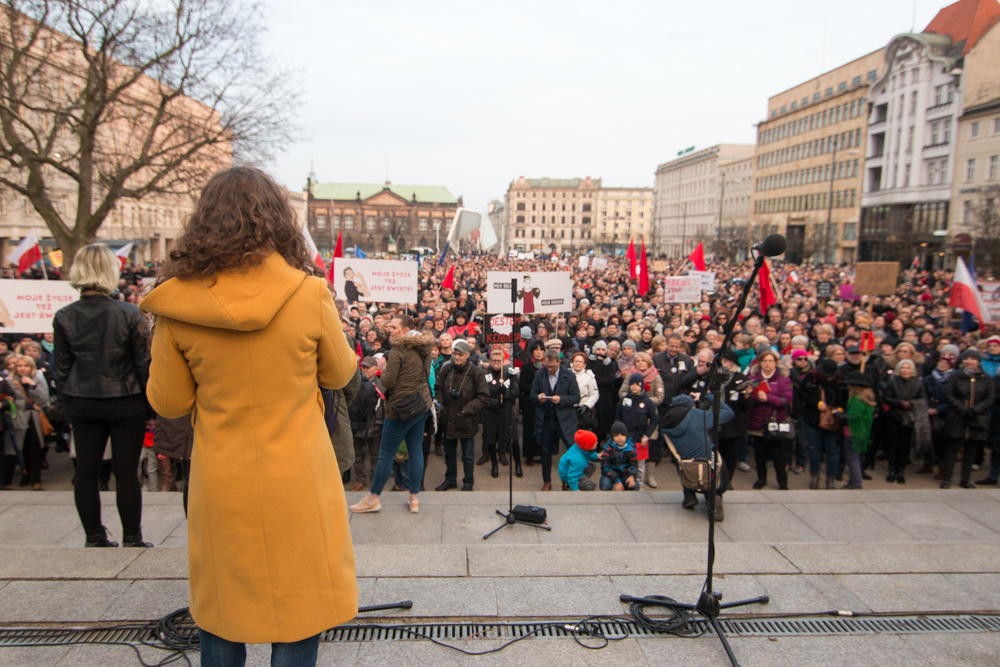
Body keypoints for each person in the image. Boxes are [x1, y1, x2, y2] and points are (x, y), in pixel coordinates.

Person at [143, 167, 360, 664]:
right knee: (300, 610)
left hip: (224, 478)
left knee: (223, 611)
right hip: (299, 476)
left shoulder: (176, 304)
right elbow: (340, 373)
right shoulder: (307, 293)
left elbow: (169, 403)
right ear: (277, 222)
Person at [53, 244, 150, 546]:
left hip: (83, 400)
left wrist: (68, 409)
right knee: (126, 472)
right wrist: (151, 406)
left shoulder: (64, 316)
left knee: (86, 471)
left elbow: (61, 370)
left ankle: (94, 536)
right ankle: (132, 537)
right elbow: (143, 366)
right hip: (127, 400)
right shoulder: (129, 313)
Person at [351, 314, 434, 510]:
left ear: (406, 330)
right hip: (421, 404)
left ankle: (372, 498)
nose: (390, 329)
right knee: (415, 452)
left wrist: (383, 367)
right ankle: (414, 498)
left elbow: (387, 381)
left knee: (386, 454)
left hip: (400, 408)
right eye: (390, 326)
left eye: (395, 327)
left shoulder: (398, 349)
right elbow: (426, 371)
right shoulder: (425, 346)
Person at [660, 391, 734, 519]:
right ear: (691, 406)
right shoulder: (697, 415)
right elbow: (728, 413)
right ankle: (715, 497)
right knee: (715, 463)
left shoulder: (664, 423)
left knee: (680, 457)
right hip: (709, 466)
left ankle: (689, 495)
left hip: (688, 471)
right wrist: (705, 396)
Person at [434, 339, 489, 491]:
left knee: (468, 455)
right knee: (449, 454)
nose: (456, 357)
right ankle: (450, 479)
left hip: (466, 419)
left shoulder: (476, 372)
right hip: (448, 418)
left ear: (467, 355)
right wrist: (441, 405)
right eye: (455, 354)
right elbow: (437, 388)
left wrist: (468, 409)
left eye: (460, 354)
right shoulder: (447, 369)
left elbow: (484, 396)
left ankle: (468, 482)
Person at [942, 348, 995, 488]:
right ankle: (947, 478)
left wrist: (976, 409)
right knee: (952, 449)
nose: (969, 361)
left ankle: (965, 480)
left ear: (978, 361)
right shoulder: (955, 376)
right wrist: (963, 409)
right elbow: (949, 394)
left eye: (973, 359)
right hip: (957, 417)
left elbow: (990, 397)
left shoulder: (986, 378)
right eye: (967, 359)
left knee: (971, 450)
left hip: (976, 418)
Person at [531, 348, 580, 491]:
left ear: (559, 362)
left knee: (571, 449)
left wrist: (562, 399)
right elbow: (532, 395)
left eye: (552, 366)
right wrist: (538, 398)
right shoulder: (540, 374)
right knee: (545, 451)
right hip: (546, 419)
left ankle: (570, 480)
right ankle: (547, 481)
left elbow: (576, 397)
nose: (550, 369)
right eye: (547, 366)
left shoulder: (568, 376)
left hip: (564, 420)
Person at [746, 349, 793, 491]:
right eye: (764, 361)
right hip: (758, 420)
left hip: (775, 422)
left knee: (777, 454)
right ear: (760, 363)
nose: (767, 363)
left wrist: (768, 398)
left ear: (776, 363)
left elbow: (787, 399)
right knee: (759, 453)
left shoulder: (782, 379)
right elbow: (749, 401)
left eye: (770, 361)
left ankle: (782, 481)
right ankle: (761, 479)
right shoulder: (753, 378)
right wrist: (751, 396)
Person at [798, 357, 846, 490]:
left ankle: (831, 476)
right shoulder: (810, 378)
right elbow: (801, 394)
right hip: (813, 418)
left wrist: (840, 408)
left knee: (832, 450)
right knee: (815, 449)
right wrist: (816, 403)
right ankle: (815, 475)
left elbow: (845, 398)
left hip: (832, 420)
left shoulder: (840, 381)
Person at [883, 358, 926, 484]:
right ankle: (892, 470)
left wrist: (911, 404)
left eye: (908, 368)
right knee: (893, 445)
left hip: (909, 418)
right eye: (903, 367)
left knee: (905, 446)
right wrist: (899, 403)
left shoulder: (918, 383)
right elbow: (886, 398)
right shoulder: (893, 382)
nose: (905, 370)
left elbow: (923, 400)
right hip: (894, 416)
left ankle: (901, 470)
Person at [615, 372, 659, 488]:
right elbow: (617, 418)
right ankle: (624, 483)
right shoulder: (624, 400)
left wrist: (647, 435)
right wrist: (617, 434)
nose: (634, 386)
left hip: (640, 438)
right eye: (632, 384)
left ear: (642, 386)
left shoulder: (647, 402)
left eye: (637, 384)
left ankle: (639, 484)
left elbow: (654, 420)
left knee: (639, 464)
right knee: (623, 462)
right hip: (625, 438)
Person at [479, 350, 519, 479]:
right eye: (494, 361)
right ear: (490, 362)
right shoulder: (484, 374)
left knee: (509, 436)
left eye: (498, 361)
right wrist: (495, 402)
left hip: (506, 409)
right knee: (490, 437)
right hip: (490, 409)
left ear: (503, 362)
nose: (496, 363)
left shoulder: (508, 374)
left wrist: (506, 394)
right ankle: (494, 464)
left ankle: (509, 459)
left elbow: (515, 392)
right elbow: (482, 394)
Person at [348, 357, 384, 492]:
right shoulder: (356, 384)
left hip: (375, 424)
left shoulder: (381, 385)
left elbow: (384, 406)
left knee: (375, 455)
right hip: (357, 424)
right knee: (358, 455)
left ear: (376, 369)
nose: (365, 370)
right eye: (363, 367)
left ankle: (374, 480)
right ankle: (360, 480)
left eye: (368, 367)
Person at [843, 371, 876, 490]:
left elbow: (853, 417)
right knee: (856, 458)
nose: (847, 387)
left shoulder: (855, 400)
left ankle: (856, 484)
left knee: (852, 459)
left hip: (853, 432)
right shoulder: (867, 398)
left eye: (849, 384)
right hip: (863, 432)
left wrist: (839, 415)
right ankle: (853, 482)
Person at [598, 421, 639, 491]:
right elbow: (605, 467)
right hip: (610, 473)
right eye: (616, 435)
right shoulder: (607, 448)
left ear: (626, 436)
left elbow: (634, 465)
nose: (619, 438)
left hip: (625, 473)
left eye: (622, 435)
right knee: (605, 486)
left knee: (634, 486)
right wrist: (617, 480)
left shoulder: (631, 448)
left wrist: (632, 476)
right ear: (612, 436)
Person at [571, 351, 599, 432]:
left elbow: (594, 394)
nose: (578, 363)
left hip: (583, 411)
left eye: (580, 362)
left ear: (584, 364)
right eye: (576, 361)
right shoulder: (567, 374)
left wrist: (587, 405)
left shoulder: (589, 376)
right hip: (570, 409)